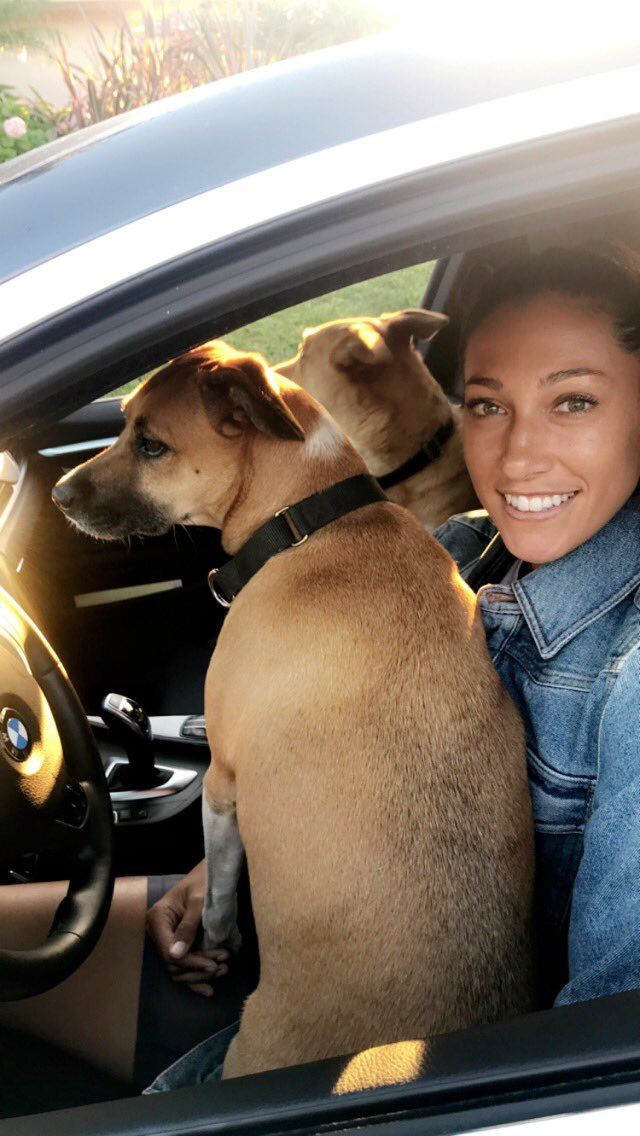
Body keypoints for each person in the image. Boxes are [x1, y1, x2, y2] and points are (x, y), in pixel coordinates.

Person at [2, 241, 640, 1095]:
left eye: (574, 401)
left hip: (379, 1086)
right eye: (486, 405)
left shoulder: (629, 679)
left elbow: (599, 1059)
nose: (519, 456)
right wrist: (214, 881)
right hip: (313, 983)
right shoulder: (459, 551)